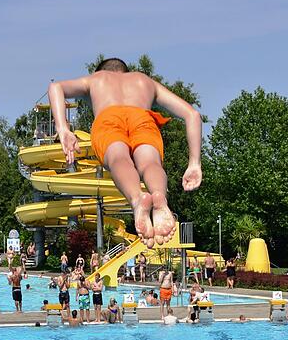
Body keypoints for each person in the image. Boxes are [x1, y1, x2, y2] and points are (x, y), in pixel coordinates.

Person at [49, 58, 202, 248]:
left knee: (118, 159)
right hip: (142, 117)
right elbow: (193, 115)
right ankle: (158, 195)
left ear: (101, 71)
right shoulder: (145, 81)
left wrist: (63, 128)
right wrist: (194, 162)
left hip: (108, 118)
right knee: (150, 163)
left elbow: (56, 87)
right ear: (126, 72)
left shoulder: (96, 79)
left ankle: (138, 200)